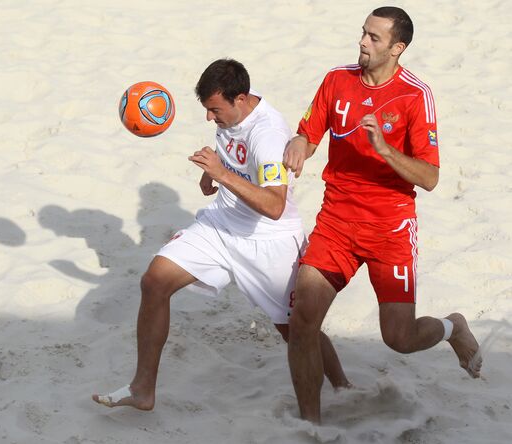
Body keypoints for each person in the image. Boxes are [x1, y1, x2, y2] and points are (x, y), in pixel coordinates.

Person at [92, 58, 349, 410]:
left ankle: (343, 387)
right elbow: (233, 152)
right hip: (222, 223)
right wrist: (215, 172)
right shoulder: (234, 105)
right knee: (154, 282)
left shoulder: (268, 135)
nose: (210, 118)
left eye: (215, 110)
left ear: (240, 99)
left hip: (268, 241)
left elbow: (274, 206)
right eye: (207, 110)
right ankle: (142, 389)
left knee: (297, 331)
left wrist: (222, 174)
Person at [283, 7, 482, 423]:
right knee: (302, 321)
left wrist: (387, 151)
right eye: (363, 34)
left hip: (390, 229)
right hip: (336, 222)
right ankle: (310, 425)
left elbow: (430, 178)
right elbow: (309, 132)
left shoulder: (414, 95)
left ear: (397, 48)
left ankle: (454, 327)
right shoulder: (337, 80)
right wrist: (301, 144)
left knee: (399, 338)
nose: (363, 43)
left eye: (374, 38)